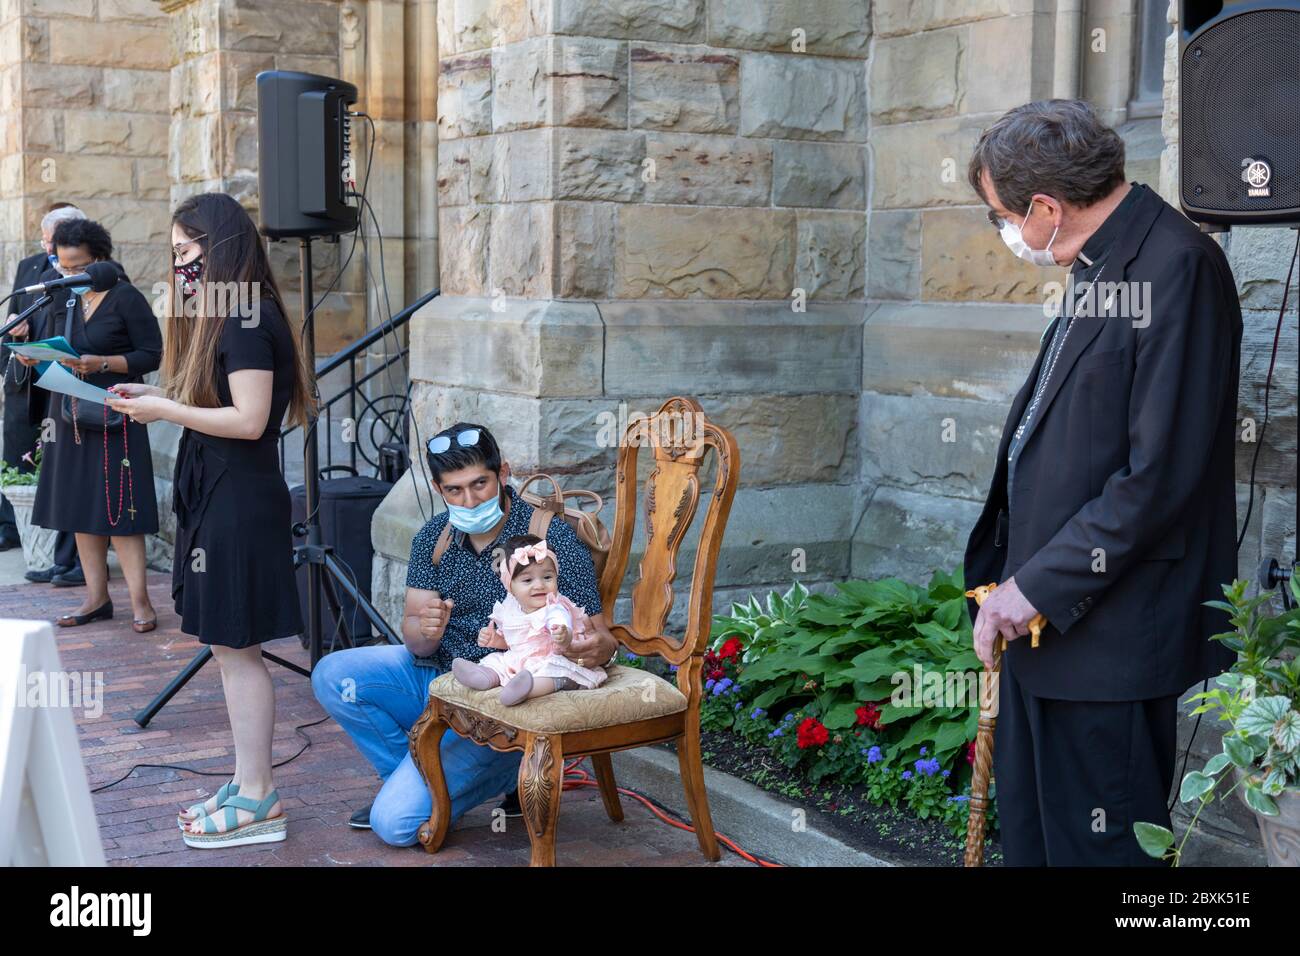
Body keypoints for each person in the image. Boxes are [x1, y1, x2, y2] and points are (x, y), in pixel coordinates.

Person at [962, 99, 1240, 866]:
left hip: (1107, 634)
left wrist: (1036, 587)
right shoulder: (1099, 259)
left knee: (1099, 851)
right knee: (1035, 839)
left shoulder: (1176, 264)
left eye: (1004, 215)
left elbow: (1158, 476)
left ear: (1046, 206)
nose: (1007, 232)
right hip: (1045, 622)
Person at [107, 192, 311, 849]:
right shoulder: (232, 315)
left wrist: (166, 413)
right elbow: (222, 405)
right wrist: (159, 396)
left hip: (240, 501)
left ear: (217, 248)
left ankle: (259, 798)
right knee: (231, 650)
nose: (178, 267)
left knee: (239, 650)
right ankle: (247, 781)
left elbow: (249, 421)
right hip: (224, 492)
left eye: (185, 253)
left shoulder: (248, 318)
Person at [311, 422, 619, 845]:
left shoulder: (547, 537)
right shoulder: (433, 538)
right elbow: (415, 637)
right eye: (455, 490)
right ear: (440, 489)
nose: (469, 500)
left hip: (503, 703)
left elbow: (603, 640)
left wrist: (590, 647)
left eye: (480, 484)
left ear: (503, 474)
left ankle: (498, 769)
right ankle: (422, 783)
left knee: (396, 826)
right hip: (441, 678)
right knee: (333, 675)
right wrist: (426, 629)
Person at [18, 218, 161, 630]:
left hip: (116, 411)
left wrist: (103, 363)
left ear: (98, 259)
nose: (67, 274)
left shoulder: (126, 297)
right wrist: (34, 354)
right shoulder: (62, 298)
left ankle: (141, 604)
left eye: (75, 265)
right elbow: (56, 347)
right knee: (81, 508)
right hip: (71, 415)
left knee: (121, 510)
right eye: (62, 266)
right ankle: (96, 599)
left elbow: (152, 354)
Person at [2, 202, 87, 585]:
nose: (45, 245)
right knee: (18, 458)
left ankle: (69, 555)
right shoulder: (30, 266)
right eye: (44, 238)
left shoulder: (94, 272)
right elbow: (19, 312)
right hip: (27, 381)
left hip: (67, 383)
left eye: (50, 239)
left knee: (64, 468)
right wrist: (14, 330)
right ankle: (16, 532)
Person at [452, 532, 608, 705]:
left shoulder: (554, 607)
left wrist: (564, 635)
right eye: (527, 580)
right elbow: (512, 642)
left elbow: (562, 625)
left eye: (547, 577)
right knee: (497, 660)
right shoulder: (511, 608)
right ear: (509, 586)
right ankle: (485, 677)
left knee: (552, 671)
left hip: (552, 659)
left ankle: (527, 690)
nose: (539, 585)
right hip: (521, 661)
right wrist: (495, 640)